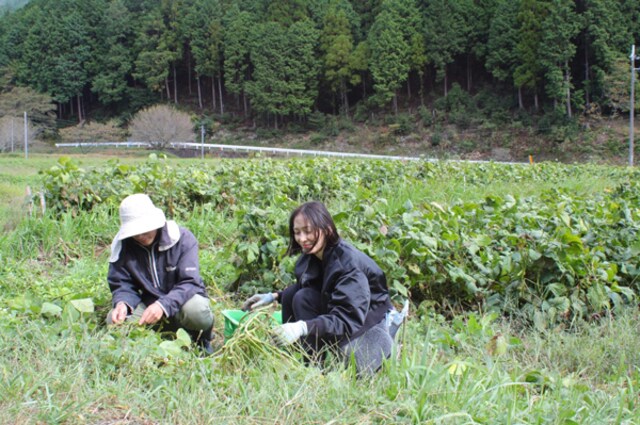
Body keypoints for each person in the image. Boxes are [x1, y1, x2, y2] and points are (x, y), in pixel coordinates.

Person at [243, 201, 398, 375]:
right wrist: (274, 296)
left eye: (308, 231)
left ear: (327, 229)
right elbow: (313, 286)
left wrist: (302, 327)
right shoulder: (315, 255)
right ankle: (310, 364)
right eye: (297, 233)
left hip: (365, 323)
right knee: (295, 295)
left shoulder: (348, 265)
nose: (302, 239)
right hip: (343, 313)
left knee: (302, 300)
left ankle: (329, 364)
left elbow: (346, 319)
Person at [106, 193, 214, 354]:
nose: (141, 236)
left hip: (182, 301)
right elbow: (122, 284)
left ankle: (200, 340)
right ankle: (145, 346)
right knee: (114, 321)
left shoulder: (182, 239)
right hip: (148, 303)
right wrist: (122, 303)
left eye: (144, 229)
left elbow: (190, 282)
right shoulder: (124, 247)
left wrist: (163, 305)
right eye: (135, 232)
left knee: (197, 311)